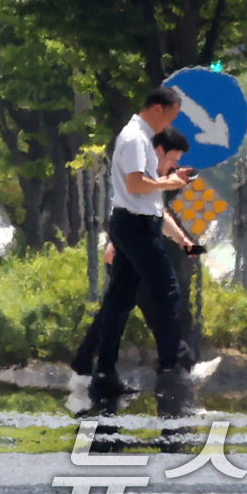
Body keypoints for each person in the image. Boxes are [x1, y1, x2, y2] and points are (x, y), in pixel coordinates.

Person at [87, 87, 198, 418]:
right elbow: (135, 185)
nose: (170, 124)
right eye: (171, 115)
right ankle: (172, 367)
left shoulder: (140, 138)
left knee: (120, 299)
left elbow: (143, 188)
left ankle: (105, 371)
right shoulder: (136, 138)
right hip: (136, 225)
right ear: (158, 108)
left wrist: (168, 180)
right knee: (167, 291)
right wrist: (169, 183)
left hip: (135, 222)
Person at [72, 127, 197, 380]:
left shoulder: (151, 176)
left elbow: (158, 213)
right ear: (159, 151)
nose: (173, 166)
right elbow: (123, 211)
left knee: (117, 307)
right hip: (130, 249)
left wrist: (182, 240)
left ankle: (84, 366)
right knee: (159, 299)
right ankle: (178, 364)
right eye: (172, 159)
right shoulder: (138, 174)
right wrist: (114, 243)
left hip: (131, 249)